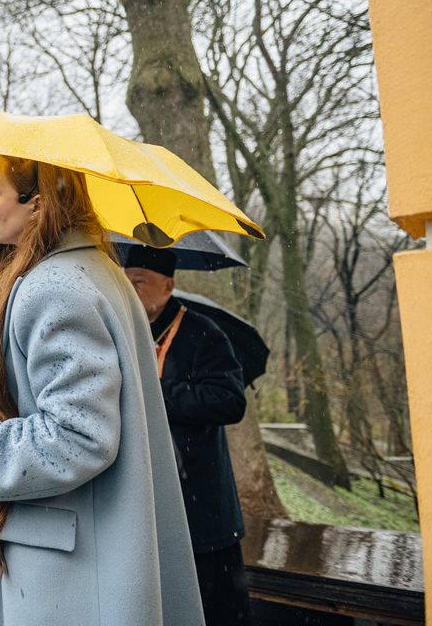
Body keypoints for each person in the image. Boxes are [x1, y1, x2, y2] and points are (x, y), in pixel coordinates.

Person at [0, 156, 204, 625]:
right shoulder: (98, 272)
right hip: (96, 544)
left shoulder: (53, 286)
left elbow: (78, 437)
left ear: (38, 203)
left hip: (68, 565)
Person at [124, 245, 252, 626]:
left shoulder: (203, 333)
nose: (131, 291)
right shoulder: (126, 332)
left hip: (201, 499)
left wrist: (161, 393)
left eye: (140, 282)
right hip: (147, 491)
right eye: (126, 282)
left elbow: (230, 401)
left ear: (168, 286)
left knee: (212, 606)